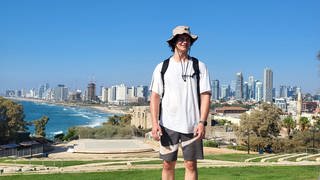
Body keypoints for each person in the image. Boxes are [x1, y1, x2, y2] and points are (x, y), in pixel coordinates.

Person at [149, 25, 211, 180]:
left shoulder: (199, 66)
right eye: (181, 39)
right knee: (168, 164)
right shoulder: (162, 67)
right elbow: (155, 97)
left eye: (187, 39)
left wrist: (202, 122)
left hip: (192, 125)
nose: (185, 42)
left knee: (191, 164)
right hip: (168, 124)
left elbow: (205, 96)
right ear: (174, 42)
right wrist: (154, 123)